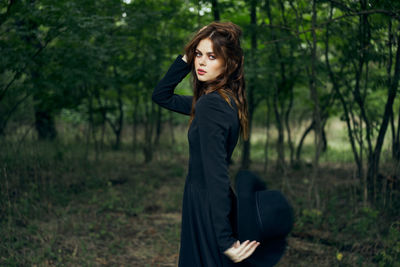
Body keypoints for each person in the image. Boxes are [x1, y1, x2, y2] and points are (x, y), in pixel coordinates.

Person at [152, 21, 260, 266]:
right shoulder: (220, 101)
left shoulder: (210, 105)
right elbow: (161, 95)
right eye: (198, 55)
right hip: (205, 202)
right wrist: (185, 58)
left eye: (212, 56)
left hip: (206, 207)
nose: (201, 62)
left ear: (229, 63)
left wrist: (224, 239)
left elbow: (217, 173)